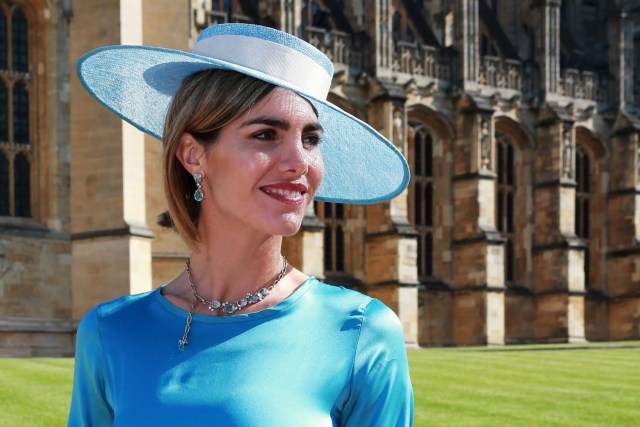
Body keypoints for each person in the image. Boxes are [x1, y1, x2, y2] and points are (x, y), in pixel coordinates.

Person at [69, 23, 413, 426]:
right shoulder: (110, 332)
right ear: (193, 155)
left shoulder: (360, 332)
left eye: (311, 139)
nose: (300, 161)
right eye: (266, 134)